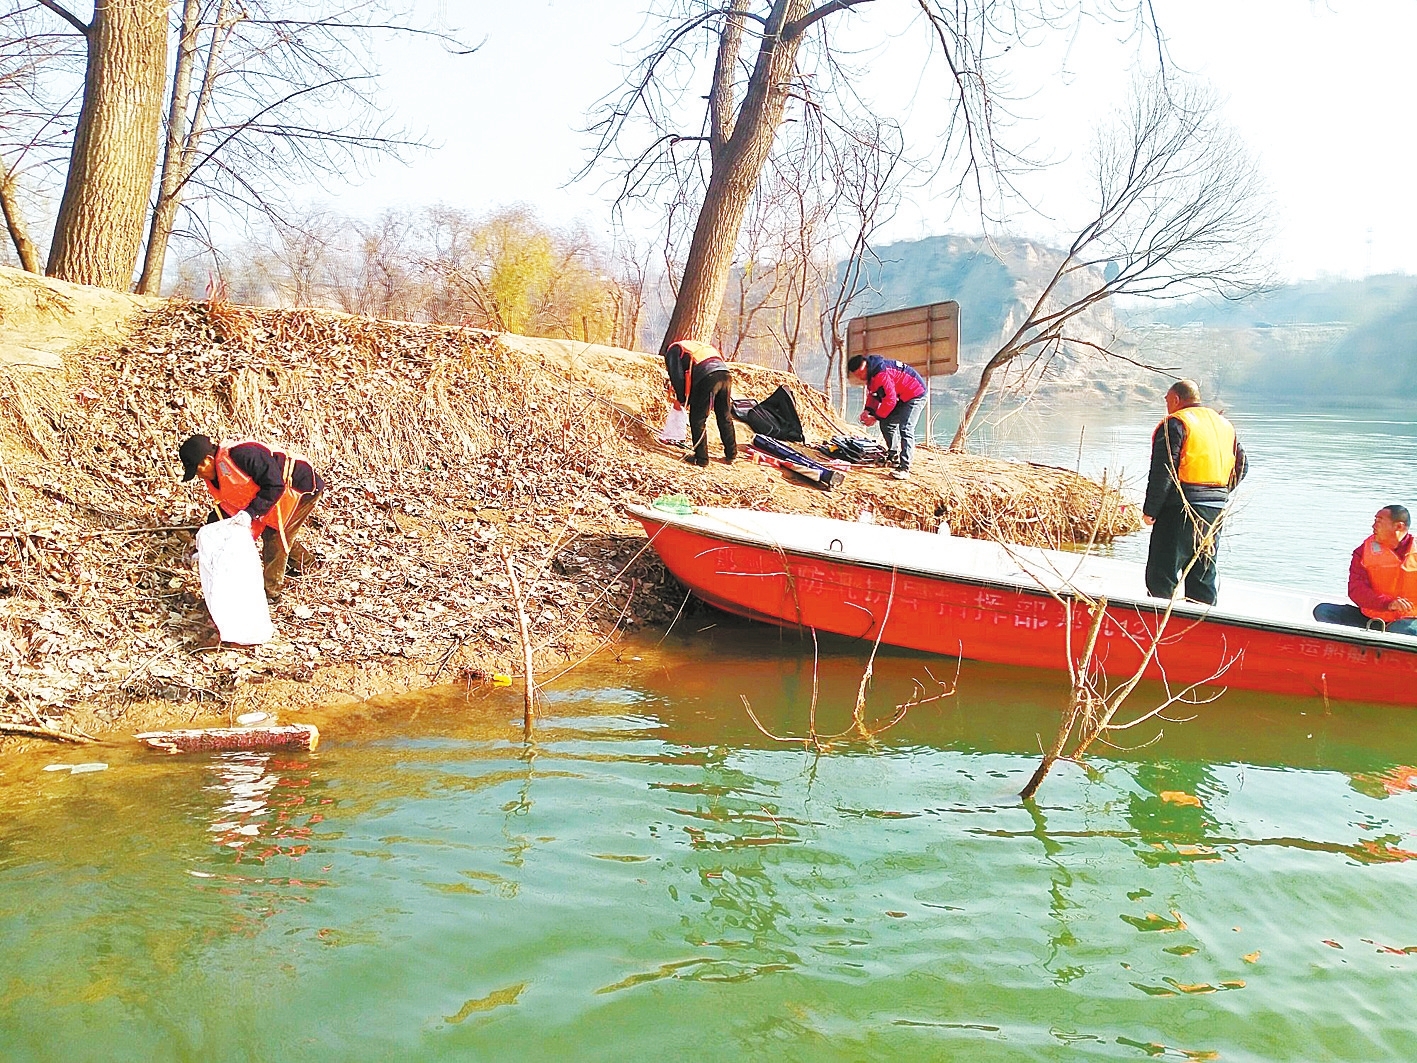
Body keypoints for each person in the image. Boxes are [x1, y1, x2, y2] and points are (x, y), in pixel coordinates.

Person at [179, 434, 325, 601]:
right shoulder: (217, 476)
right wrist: (205, 548)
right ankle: (307, 564)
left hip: (301, 487)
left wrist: (251, 513)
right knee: (281, 530)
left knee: (275, 535)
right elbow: (225, 509)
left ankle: (271, 593)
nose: (199, 476)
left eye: (197, 471)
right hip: (275, 492)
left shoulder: (244, 455)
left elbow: (275, 485)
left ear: (207, 460)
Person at [1142, 379, 1247, 605]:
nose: (1167, 405)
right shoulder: (1224, 425)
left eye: (1167, 400)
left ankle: (1159, 626)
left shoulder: (1176, 423)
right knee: (1202, 576)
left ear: (1177, 399)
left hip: (1180, 510)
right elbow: (1242, 465)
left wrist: (1150, 510)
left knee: (1161, 575)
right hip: (1214, 512)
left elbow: (1164, 470)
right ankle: (1202, 627)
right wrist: (1220, 494)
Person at [1313, 506, 1417, 636]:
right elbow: (1356, 590)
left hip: (1410, 621)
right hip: (1371, 619)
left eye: (1379, 521)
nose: (1373, 526)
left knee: (1398, 629)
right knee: (1324, 611)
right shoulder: (1363, 552)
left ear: (1399, 527)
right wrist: (1388, 603)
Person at [847, 353, 927, 481]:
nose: (860, 377)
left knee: (906, 428)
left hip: (915, 394)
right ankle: (893, 456)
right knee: (886, 423)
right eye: (857, 375)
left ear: (865, 366)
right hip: (901, 397)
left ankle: (905, 468)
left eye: (860, 373)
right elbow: (874, 395)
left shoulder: (881, 374)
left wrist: (875, 417)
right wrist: (868, 410)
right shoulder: (872, 376)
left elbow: (889, 399)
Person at [663, 339, 737, 468]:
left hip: (707, 377)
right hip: (725, 375)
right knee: (724, 416)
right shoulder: (694, 346)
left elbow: (678, 377)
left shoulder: (673, 351)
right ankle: (732, 454)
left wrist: (682, 399)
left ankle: (701, 458)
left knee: (698, 418)